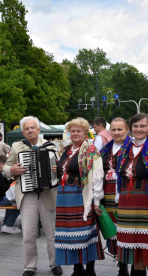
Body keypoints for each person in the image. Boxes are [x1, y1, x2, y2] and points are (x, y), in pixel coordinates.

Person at [3, 116, 62, 276]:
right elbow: (6, 167)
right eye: (27, 128)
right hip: (27, 195)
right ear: (23, 131)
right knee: (28, 234)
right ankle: (29, 267)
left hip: (48, 194)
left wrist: (58, 170)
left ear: (38, 130)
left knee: (52, 233)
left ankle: (55, 264)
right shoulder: (17, 147)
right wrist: (11, 170)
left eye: (32, 127)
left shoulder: (50, 146)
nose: (30, 130)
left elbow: (59, 167)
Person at [53, 117, 104, 276]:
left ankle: (90, 269)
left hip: (81, 195)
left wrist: (96, 201)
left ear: (85, 133)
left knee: (86, 232)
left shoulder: (91, 149)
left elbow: (97, 175)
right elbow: (65, 169)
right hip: (64, 196)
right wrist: (58, 170)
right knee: (69, 234)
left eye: (78, 131)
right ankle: (77, 268)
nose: (75, 133)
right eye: (72, 131)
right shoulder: (66, 149)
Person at [116, 113, 148, 276]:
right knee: (134, 245)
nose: (139, 129)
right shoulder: (125, 148)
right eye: (135, 126)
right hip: (127, 202)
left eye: (143, 126)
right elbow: (119, 174)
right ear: (130, 129)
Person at [100, 117, 131, 276]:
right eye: (114, 129)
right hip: (108, 194)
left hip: (126, 194)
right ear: (109, 131)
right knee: (113, 230)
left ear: (126, 130)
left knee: (127, 229)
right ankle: (121, 264)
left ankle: (131, 263)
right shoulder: (105, 150)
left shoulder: (133, 148)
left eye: (120, 129)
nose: (117, 132)